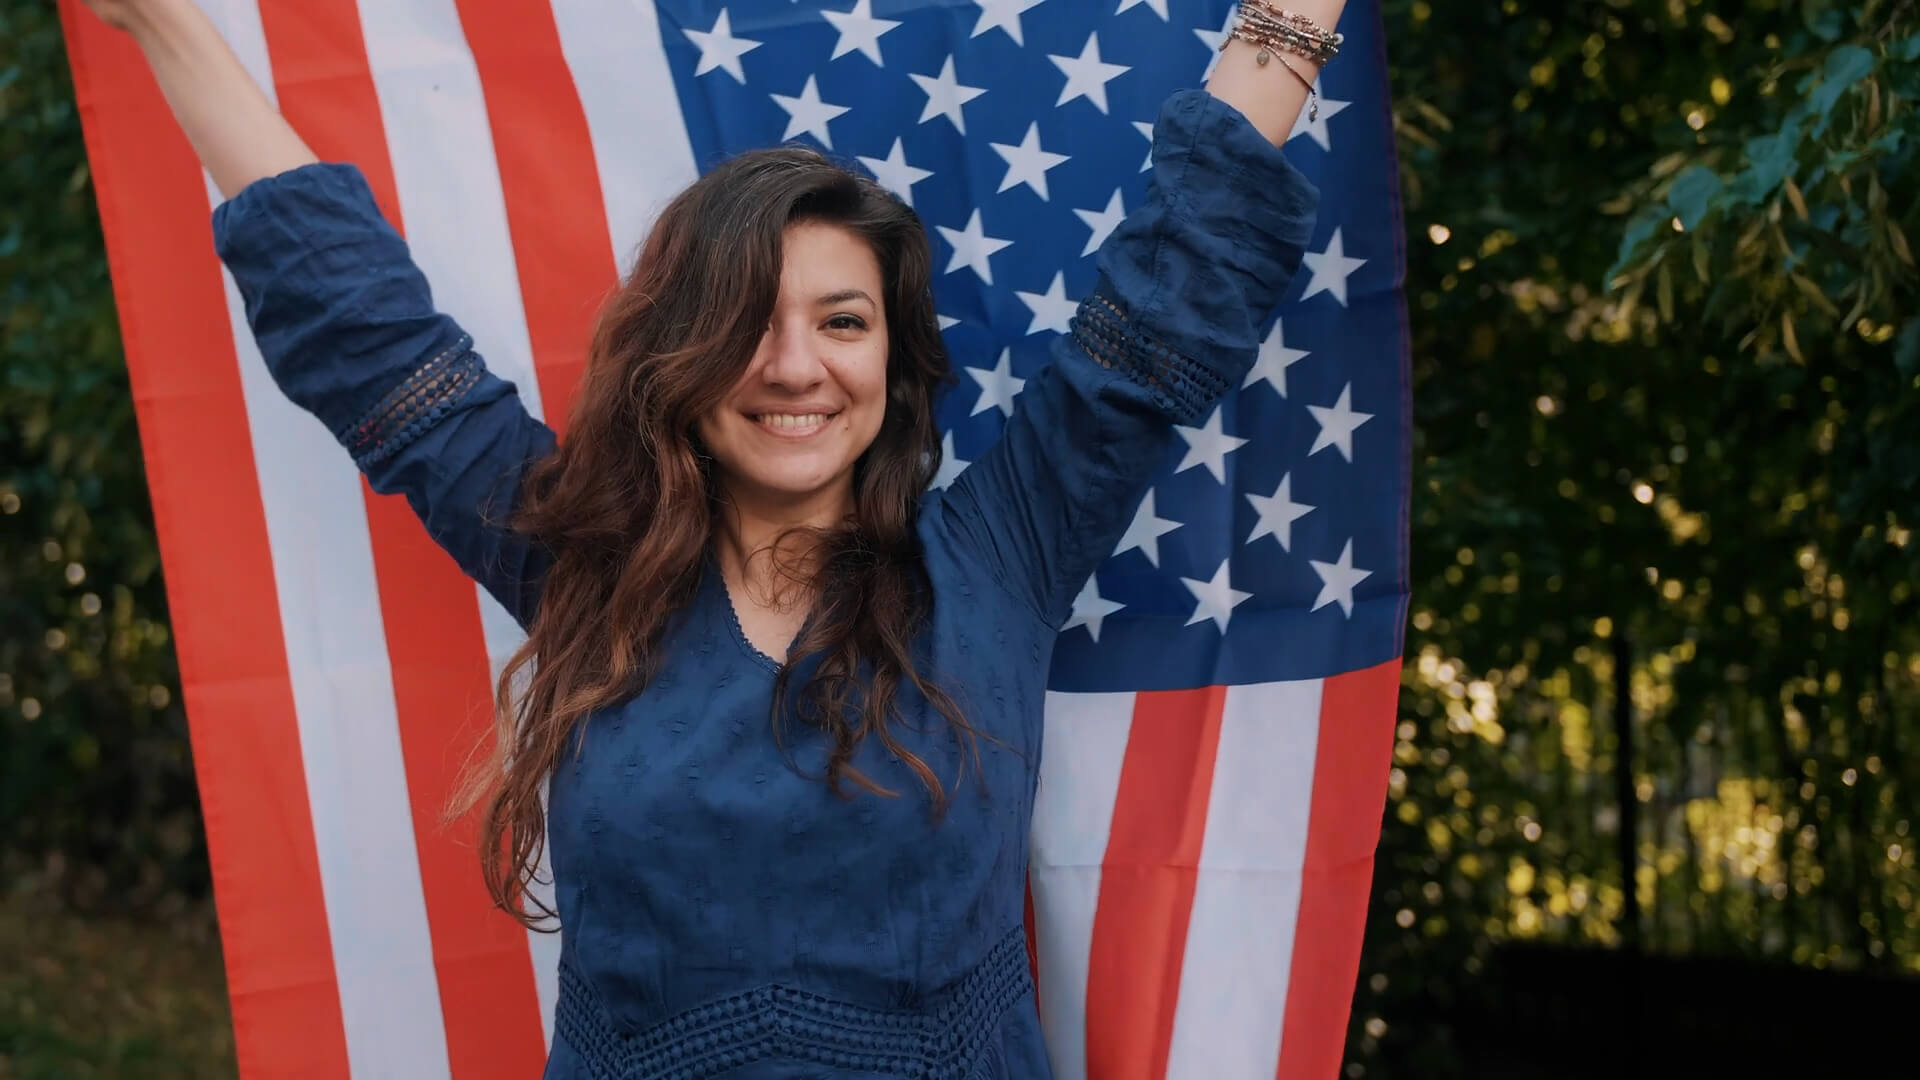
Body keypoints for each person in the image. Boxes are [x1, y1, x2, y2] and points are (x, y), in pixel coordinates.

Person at [79, 0, 1341, 1074]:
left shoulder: (995, 557)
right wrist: (158, 20)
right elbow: (363, 332)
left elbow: (1169, 299)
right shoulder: (582, 567)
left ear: (894, 362)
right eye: (747, 320)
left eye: (842, 322)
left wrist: (1296, 17)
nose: (794, 367)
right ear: (680, 358)